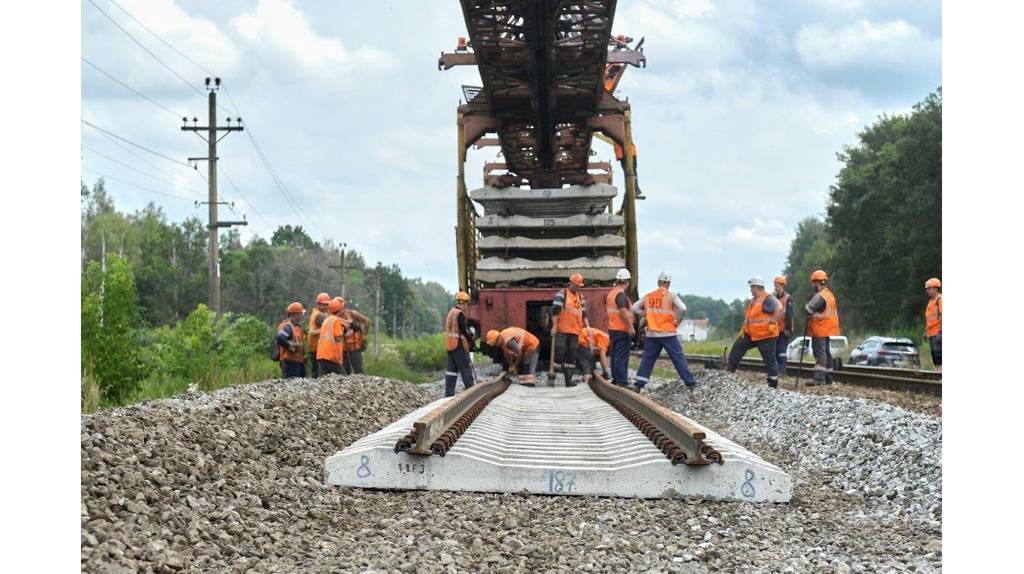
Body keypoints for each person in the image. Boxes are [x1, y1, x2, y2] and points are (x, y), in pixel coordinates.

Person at [632, 272, 698, 391]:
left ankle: (638, 385)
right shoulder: (671, 296)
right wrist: (677, 321)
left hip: (652, 333)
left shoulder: (648, 296)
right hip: (668, 333)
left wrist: (645, 314)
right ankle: (691, 384)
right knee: (678, 358)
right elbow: (683, 308)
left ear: (658, 283)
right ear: (668, 284)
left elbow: (634, 308)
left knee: (648, 359)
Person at [727, 277, 785, 388]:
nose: (751, 290)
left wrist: (773, 321)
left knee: (769, 360)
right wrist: (743, 330)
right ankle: (729, 372)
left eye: (752, 287)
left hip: (766, 335)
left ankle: (772, 384)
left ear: (758, 287)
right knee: (737, 348)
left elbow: (780, 309)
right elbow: (749, 318)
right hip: (750, 334)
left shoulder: (768, 298)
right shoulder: (753, 301)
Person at [551, 274, 588, 387]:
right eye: (577, 285)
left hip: (575, 330)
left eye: (579, 286)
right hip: (562, 329)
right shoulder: (562, 294)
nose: (578, 287)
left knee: (572, 355)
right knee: (560, 352)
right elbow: (555, 311)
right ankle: (553, 376)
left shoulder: (581, 298)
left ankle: (568, 380)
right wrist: (554, 326)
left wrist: (587, 327)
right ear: (571, 283)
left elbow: (584, 314)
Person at [805, 269, 840, 385]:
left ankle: (819, 378)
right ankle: (828, 377)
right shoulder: (829, 294)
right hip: (827, 328)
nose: (812, 285)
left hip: (819, 329)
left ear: (816, 282)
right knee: (826, 353)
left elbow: (808, 309)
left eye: (813, 283)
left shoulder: (820, 296)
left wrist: (809, 300)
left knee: (820, 354)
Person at [605, 268, 635, 388]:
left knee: (615, 355)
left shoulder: (611, 293)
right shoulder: (621, 295)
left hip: (612, 328)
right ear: (627, 282)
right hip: (621, 329)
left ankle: (616, 378)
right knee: (621, 356)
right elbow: (623, 311)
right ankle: (622, 381)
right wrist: (631, 327)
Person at [444, 291, 476, 397]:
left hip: (449, 344)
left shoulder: (451, 312)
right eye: (467, 303)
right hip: (457, 345)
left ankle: (448, 394)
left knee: (451, 370)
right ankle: (471, 389)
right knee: (465, 366)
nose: (467, 306)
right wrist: (471, 341)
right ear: (465, 303)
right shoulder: (459, 314)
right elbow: (464, 331)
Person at [316, 298, 349, 376]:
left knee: (324, 380)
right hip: (331, 356)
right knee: (343, 379)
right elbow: (338, 338)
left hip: (321, 354)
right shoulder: (336, 320)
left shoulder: (327, 320)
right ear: (339, 310)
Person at [276, 302, 307, 378]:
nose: (301, 316)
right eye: (300, 314)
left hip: (298, 362)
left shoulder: (296, 326)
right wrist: (290, 346)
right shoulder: (287, 326)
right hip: (289, 363)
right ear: (293, 314)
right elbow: (280, 337)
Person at [340, 299, 370, 375]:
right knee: (346, 370)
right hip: (343, 348)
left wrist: (364, 336)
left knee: (358, 369)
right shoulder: (334, 316)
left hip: (355, 347)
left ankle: (363, 384)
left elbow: (366, 321)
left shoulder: (352, 313)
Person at [773, 276, 795, 377]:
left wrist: (787, 329)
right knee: (776, 351)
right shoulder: (774, 298)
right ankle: (778, 370)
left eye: (776, 285)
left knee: (782, 351)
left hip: (784, 329)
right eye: (775, 285)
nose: (775, 287)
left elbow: (789, 314)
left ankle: (782, 371)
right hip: (775, 330)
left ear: (782, 286)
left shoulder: (788, 298)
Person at [306, 293, 331, 378]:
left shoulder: (315, 313)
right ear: (318, 304)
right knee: (318, 372)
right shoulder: (319, 315)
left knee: (316, 370)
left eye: (327, 305)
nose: (326, 307)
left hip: (315, 347)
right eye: (324, 305)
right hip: (317, 347)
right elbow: (331, 321)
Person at [924, 277, 942, 373]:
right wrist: (925, 331)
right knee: (934, 353)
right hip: (931, 332)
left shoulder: (940, 300)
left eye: (929, 288)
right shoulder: (931, 302)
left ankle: (941, 371)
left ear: (935, 288)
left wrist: (941, 332)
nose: (927, 290)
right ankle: (937, 371)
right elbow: (929, 318)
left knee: (939, 353)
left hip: (938, 332)